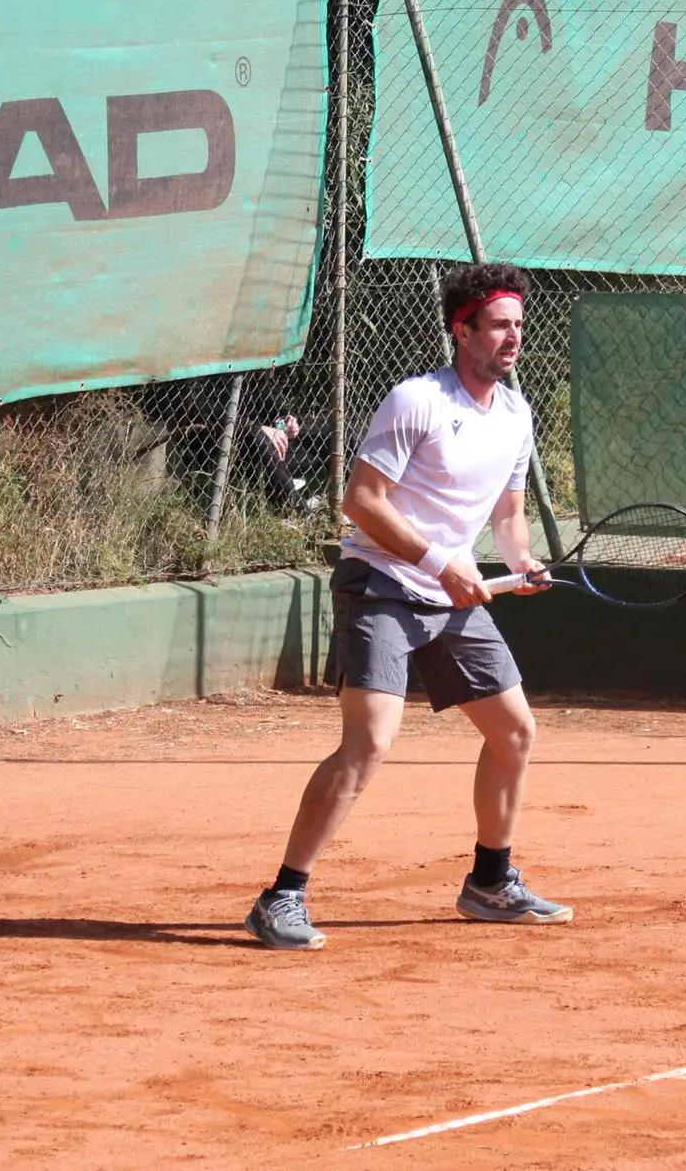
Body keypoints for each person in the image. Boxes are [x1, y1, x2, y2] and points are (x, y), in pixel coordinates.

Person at [245, 262, 569, 951]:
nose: (513, 337)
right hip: (383, 584)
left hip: (449, 595)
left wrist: (520, 561)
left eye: (518, 324)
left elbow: (507, 516)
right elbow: (360, 501)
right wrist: (438, 562)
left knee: (514, 731)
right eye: (499, 324)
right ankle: (282, 897)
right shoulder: (415, 400)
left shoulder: (515, 413)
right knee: (369, 742)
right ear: (463, 329)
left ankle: (489, 881)